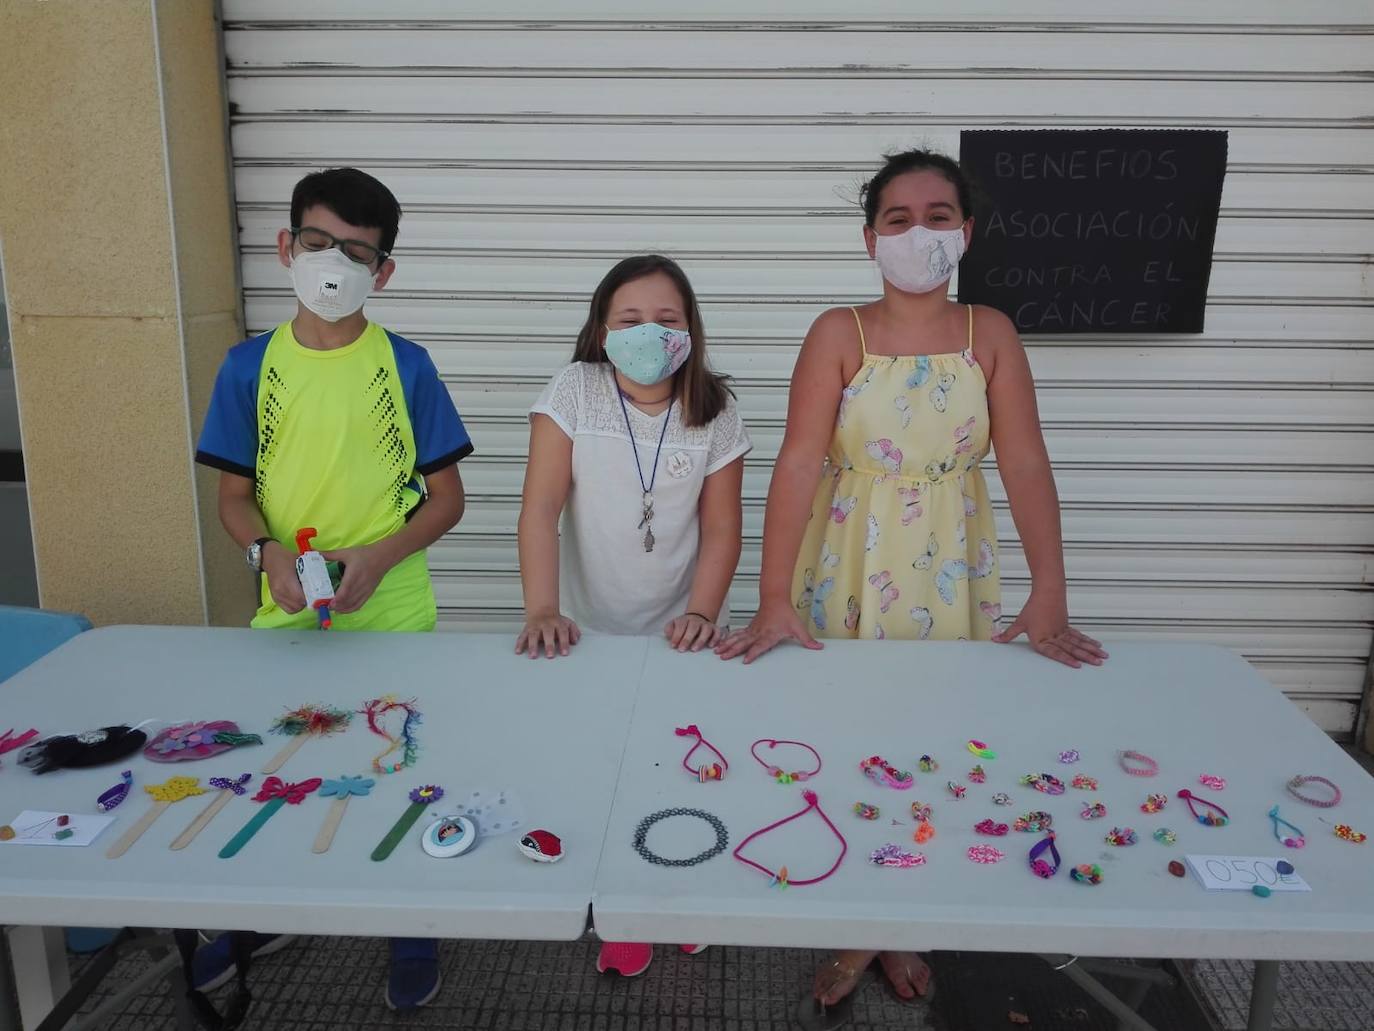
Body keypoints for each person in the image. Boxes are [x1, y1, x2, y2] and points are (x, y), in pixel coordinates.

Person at [715, 149, 1107, 1007]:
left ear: (965, 234)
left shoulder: (990, 333)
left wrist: (1051, 591)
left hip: (949, 566)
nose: (918, 233)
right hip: (850, 558)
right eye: (898, 219)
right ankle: (859, 905)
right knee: (852, 738)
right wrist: (773, 594)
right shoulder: (837, 333)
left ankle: (892, 928)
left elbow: (1028, 462)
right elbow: (794, 463)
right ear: (870, 239)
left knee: (936, 741)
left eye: (938, 216)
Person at [194, 167, 472, 1010]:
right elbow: (233, 497)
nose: (333, 262)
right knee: (279, 763)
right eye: (317, 242)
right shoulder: (248, 369)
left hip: (393, 613)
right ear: (285, 246)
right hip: (283, 613)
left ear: (382, 271)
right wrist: (267, 555)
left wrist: (383, 556)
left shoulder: (408, 366)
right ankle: (260, 912)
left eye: (357, 251)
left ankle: (410, 928)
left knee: (399, 767)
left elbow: (449, 497)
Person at [515, 255, 750, 975]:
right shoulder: (574, 393)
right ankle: (615, 904)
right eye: (629, 319)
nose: (649, 332)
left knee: (681, 770)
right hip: (586, 632)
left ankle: (678, 891)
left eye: (667, 319)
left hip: (685, 634)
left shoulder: (715, 409)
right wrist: (543, 607)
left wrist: (704, 612)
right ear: (601, 328)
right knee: (601, 770)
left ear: (691, 330)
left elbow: (721, 529)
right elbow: (540, 509)